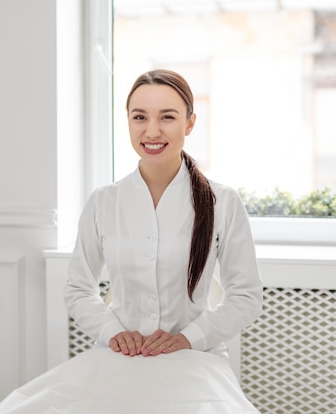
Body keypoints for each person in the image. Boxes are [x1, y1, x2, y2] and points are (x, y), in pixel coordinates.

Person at [64, 69, 263, 359]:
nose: (152, 131)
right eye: (140, 117)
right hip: (118, 355)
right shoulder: (103, 202)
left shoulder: (224, 202)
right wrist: (113, 333)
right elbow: (78, 289)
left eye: (167, 117)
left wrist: (188, 338)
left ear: (190, 123)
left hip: (197, 356)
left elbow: (246, 297)